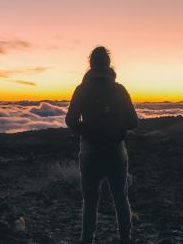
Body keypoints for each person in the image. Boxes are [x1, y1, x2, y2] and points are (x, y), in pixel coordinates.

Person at [65, 46, 139, 244]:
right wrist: (116, 130)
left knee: (90, 202)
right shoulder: (119, 90)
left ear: (90, 65)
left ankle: (87, 240)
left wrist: (88, 131)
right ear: (108, 65)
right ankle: (125, 239)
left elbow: (70, 120)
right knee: (121, 199)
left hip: (90, 152)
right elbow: (134, 122)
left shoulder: (82, 90)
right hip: (116, 151)